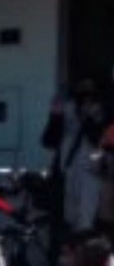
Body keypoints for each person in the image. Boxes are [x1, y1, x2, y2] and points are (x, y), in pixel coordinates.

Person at [42, 76, 109, 238]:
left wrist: (91, 119)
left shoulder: (102, 114)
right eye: (82, 96)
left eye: (89, 96)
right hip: (66, 172)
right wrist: (55, 116)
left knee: (87, 218)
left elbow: (101, 140)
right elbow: (48, 140)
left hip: (92, 172)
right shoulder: (66, 112)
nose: (85, 101)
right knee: (68, 217)